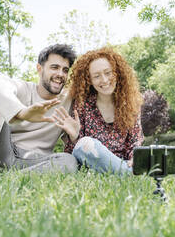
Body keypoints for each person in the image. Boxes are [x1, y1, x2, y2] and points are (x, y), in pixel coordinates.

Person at [0, 44, 77, 181]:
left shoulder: (69, 100)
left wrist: (75, 137)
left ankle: (1, 181)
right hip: (3, 152)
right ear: (39, 69)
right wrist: (22, 113)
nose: (60, 74)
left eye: (65, 70)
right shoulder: (23, 88)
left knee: (69, 162)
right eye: (54, 67)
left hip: (35, 162)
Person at [52, 47, 144, 175]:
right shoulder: (82, 104)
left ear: (117, 73)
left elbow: (135, 142)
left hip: (121, 162)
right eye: (96, 76)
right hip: (92, 167)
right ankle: (129, 175)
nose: (104, 80)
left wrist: (135, 157)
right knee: (85, 143)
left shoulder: (131, 104)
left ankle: (124, 172)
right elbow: (77, 152)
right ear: (89, 80)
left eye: (108, 73)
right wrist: (74, 137)